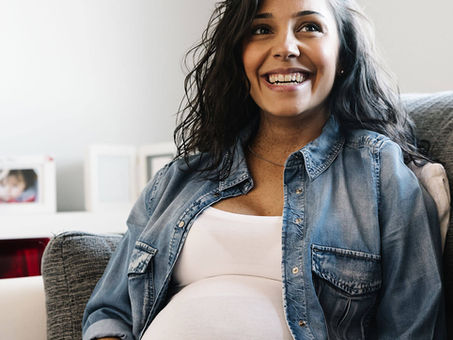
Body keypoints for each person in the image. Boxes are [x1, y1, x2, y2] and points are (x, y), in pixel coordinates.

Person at [82, 0, 446, 339]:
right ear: (239, 56)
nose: (285, 47)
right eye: (260, 29)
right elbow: (109, 312)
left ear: (343, 54)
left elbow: (412, 326)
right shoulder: (179, 179)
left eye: (309, 27)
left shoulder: (379, 171)